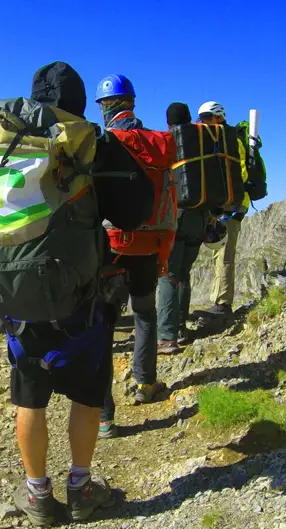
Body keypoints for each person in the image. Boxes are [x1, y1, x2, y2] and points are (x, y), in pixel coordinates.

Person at [3, 62, 154, 525]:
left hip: (19, 298)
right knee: (88, 397)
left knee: (29, 398)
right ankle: (81, 491)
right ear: (82, 103)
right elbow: (134, 211)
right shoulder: (93, 142)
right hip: (81, 299)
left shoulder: (6, 141)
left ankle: (38, 498)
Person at [95, 74, 168, 439]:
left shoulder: (102, 143)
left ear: (105, 107)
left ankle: (104, 417)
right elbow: (169, 202)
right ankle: (146, 384)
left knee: (103, 328)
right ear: (133, 103)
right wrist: (164, 250)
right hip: (148, 247)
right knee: (145, 314)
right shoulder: (158, 143)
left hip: (110, 248)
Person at [156, 102, 211, 353]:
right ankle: (180, 328)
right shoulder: (203, 143)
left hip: (175, 216)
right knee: (184, 274)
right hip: (200, 217)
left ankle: (167, 336)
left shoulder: (168, 142)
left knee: (168, 275)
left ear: (168, 123)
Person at [197, 101, 250, 317]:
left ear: (219, 117)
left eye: (207, 118)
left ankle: (223, 304)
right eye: (201, 118)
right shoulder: (216, 142)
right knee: (218, 252)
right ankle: (218, 299)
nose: (203, 122)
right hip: (220, 206)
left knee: (225, 254)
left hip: (232, 206)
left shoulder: (232, 142)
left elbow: (242, 173)